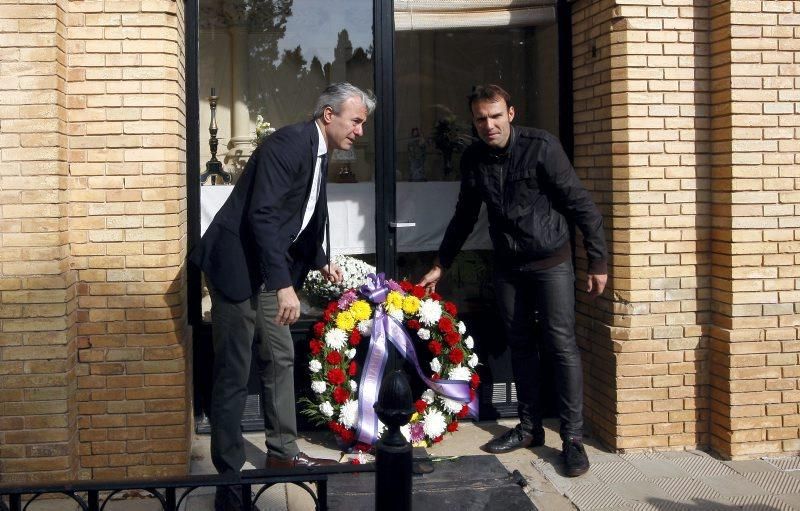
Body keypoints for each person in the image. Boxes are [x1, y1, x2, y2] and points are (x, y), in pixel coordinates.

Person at [190, 83, 376, 509]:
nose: (360, 131)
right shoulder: (288, 144)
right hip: (237, 267)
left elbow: (306, 211)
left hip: (269, 269)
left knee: (280, 356)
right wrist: (284, 284)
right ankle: (229, 476)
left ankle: (282, 452)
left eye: (363, 123)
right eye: (356, 121)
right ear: (329, 115)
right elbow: (264, 215)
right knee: (235, 370)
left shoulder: (319, 151)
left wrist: (320, 257)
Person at [418, 84, 607, 477]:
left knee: (560, 345)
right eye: (481, 118)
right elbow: (464, 215)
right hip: (508, 266)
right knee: (519, 346)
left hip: (551, 261)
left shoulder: (542, 147)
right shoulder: (474, 158)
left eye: (496, 116)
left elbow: (579, 203)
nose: (489, 125)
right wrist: (441, 264)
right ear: (474, 120)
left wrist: (598, 260)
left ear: (511, 113)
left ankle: (572, 439)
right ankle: (529, 427)